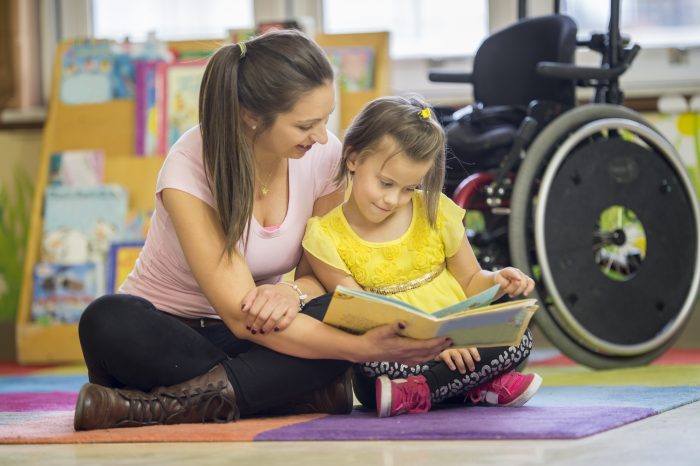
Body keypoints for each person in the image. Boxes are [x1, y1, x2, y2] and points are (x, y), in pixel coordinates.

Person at [73, 30, 452, 431]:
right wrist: (361, 349)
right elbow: (239, 315)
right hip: (173, 335)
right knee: (106, 319)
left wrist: (290, 290)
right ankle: (283, 393)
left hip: (262, 333)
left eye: (326, 119)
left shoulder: (322, 155)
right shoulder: (190, 165)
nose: (323, 136)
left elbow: (323, 270)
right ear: (251, 117)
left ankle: (161, 406)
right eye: (306, 124)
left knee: (341, 311)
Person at [302, 95, 542, 418]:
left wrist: (497, 282)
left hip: (459, 340)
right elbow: (361, 316)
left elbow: (471, 281)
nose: (393, 199)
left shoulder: (434, 211)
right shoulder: (324, 236)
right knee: (370, 362)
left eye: (407, 188)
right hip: (391, 356)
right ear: (353, 158)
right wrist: (430, 345)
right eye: (385, 183)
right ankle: (474, 386)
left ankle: (419, 392)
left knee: (520, 338)